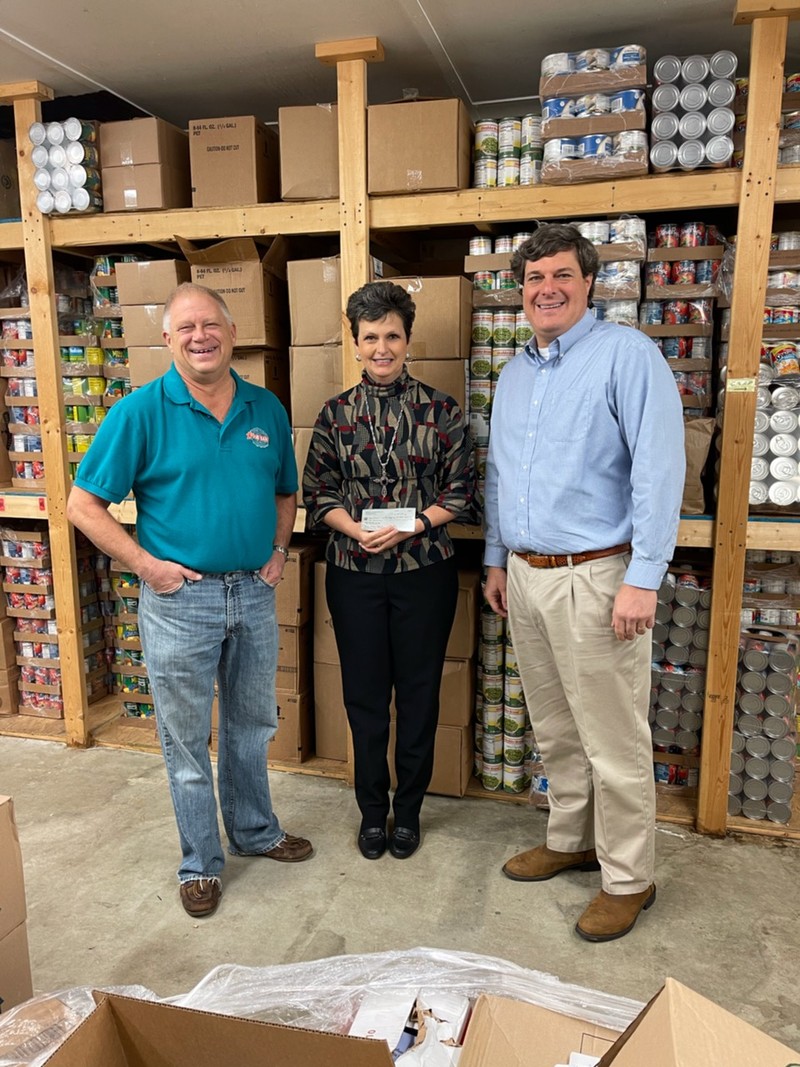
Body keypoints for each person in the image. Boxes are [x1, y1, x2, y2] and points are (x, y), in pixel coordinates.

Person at [67, 282, 313, 919]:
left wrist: (280, 552)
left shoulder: (266, 409)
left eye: (211, 325)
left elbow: (286, 491)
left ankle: (256, 832)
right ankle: (200, 862)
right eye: (186, 328)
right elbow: (81, 505)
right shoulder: (140, 412)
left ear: (232, 335)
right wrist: (147, 566)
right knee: (184, 740)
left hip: (253, 594)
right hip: (183, 600)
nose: (200, 337)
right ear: (169, 340)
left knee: (251, 725)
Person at [483, 223, 685, 942]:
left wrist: (643, 578)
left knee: (613, 737)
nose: (547, 289)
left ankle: (630, 877)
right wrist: (496, 557)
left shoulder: (627, 357)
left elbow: (661, 471)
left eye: (562, 275)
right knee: (556, 727)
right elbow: (501, 473)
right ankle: (570, 838)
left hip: (598, 578)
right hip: (529, 579)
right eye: (534, 279)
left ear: (590, 282)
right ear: (520, 291)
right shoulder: (514, 374)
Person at [303, 281, 479, 861]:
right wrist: (353, 530)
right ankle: (372, 812)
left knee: (420, 694)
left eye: (392, 336)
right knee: (365, 697)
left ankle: (410, 811)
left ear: (408, 340)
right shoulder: (335, 415)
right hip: (353, 572)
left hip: (423, 569)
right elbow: (317, 490)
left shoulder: (441, 409)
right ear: (355, 344)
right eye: (371, 337)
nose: (382, 348)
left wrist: (415, 524)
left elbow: (462, 490)